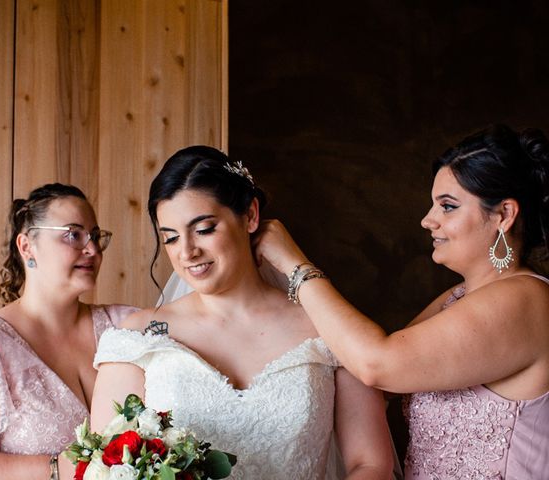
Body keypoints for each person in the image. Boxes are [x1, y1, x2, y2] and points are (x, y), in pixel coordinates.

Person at [254, 124, 549, 478]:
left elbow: (377, 364)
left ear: (503, 215)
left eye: (448, 206)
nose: (428, 220)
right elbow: (373, 382)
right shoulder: (461, 297)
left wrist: (294, 265)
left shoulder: (525, 300)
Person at [91, 146, 395, 479]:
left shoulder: (325, 328)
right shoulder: (136, 339)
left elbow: (370, 464)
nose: (187, 252)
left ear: (250, 215)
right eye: (172, 239)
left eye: (204, 229)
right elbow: (106, 468)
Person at [0, 183, 137, 479]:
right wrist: (59, 468)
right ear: (27, 246)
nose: (93, 249)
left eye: (96, 236)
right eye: (73, 234)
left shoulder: (124, 327)